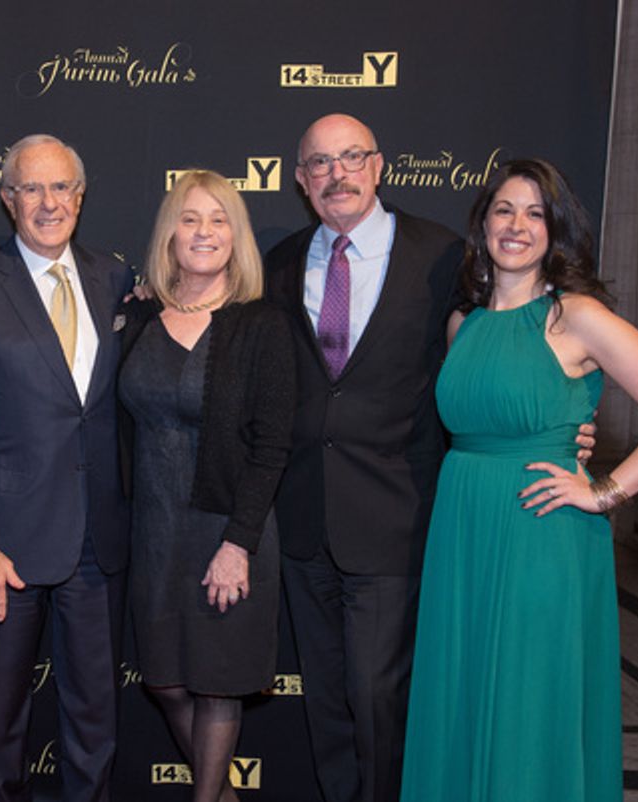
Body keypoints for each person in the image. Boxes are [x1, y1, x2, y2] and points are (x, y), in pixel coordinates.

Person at [400, 159, 638, 800]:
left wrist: (604, 492)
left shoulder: (576, 317)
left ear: (555, 230)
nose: (517, 226)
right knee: (462, 691)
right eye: (504, 210)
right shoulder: (465, 324)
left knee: (527, 700)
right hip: (464, 530)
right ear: (483, 225)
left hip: (541, 533)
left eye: (535, 213)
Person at [262, 114, 464, 802]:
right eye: (319, 163)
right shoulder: (281, 262)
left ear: (379, 167)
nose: (336, 174)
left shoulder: (443, 257)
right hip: (302, 520)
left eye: (351, 158)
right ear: (300, 180)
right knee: (325, 704)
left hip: (393, 518)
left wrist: (561, 422)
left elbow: (489, 357)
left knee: (378, 700)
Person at [0, 133, 134, 802]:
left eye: (61, 188)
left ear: (80, 196)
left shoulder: (115, 278)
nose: (48, 203)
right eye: (31, 188)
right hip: (7, 547)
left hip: (97, 541)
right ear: (7, 198)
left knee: (95, 717)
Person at [117, 170, 294, 802]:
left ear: (236, 236)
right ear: (170, 233)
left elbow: (273, 446)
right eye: (190, 218)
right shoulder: (137, 316)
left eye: (219, 220)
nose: (204, 232)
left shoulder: (261, 325)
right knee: (165, 682)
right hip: (155, 534)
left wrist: (236, 544)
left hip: (227, 529)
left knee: (218, 684)